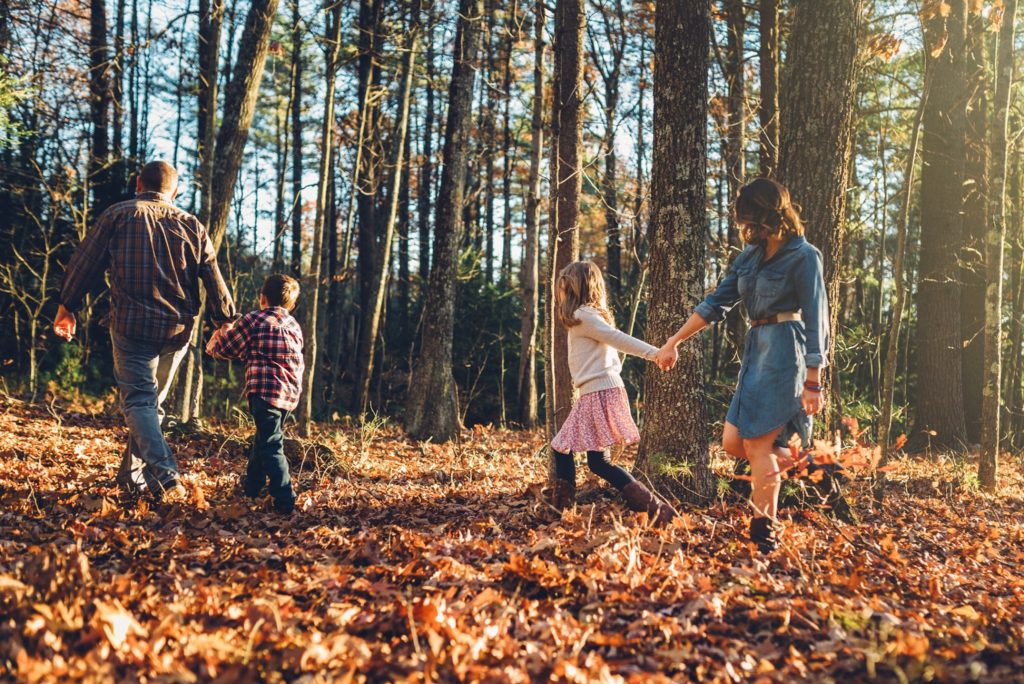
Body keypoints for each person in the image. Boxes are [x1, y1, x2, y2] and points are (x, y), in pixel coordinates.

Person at [654, 178, 830, 553]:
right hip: (756, 350)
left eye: (751, 218)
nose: (746, 227)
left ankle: (764, 533)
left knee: (757, 444)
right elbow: (715, 302)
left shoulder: (804, 256)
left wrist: (814, 379)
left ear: (769, 215)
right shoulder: (749, 256)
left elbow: (818, 318)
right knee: (735, 442)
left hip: (787, 350)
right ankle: (808, 464)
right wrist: (674, 341)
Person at [55, 160, 237, 501]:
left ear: (139, 183)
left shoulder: (119, 214)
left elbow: (85, 263)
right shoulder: (192, 225)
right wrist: (223, 320)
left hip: (131, 325)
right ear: (175, 191)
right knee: (149, 406)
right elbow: (212, 274)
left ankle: (166, 477)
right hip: (177, 330)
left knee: (140, 403)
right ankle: (132, 478)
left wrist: (68, 306)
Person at [549, 261, 675, 525]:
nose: (560, 293)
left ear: (576, 289)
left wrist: (655, 354)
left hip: (599, 391)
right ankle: (659, 511)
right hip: (597, 391)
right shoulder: (584, 316)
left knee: (561, 448)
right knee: (598, 463)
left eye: (564, 288)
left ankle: (560, 512)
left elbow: (618, 338)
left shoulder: (584, 315)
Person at [206, 274, 304, 514]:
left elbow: (225, 348)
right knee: (263, 440)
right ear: (291, 304)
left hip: (264, 391)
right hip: (289, 395)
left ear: (262, 298)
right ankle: (253, 487)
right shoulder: (293, 325)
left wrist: (223, 331)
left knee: (271, 445)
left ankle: (285, 498)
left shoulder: (254, 319)